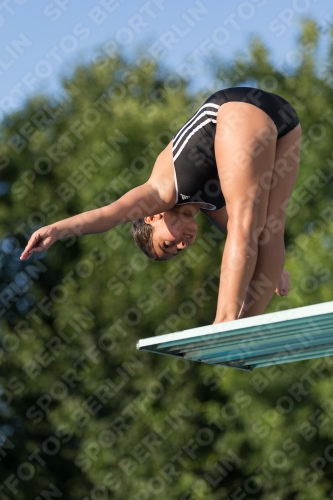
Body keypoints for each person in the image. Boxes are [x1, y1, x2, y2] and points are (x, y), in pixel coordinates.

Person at [20, 87, 301, 323]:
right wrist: (275, 268)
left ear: (152, 218)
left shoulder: (160, 192)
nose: (181, 246)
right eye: (176, 251)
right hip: (286, 122)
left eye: (167, 245)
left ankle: (224, 323)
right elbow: (259, 242)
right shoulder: (213, 209)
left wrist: (56, 230)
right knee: (268, 230)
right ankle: (245, 327)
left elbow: (108, 216)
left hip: (236, 109)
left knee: (247, 225)